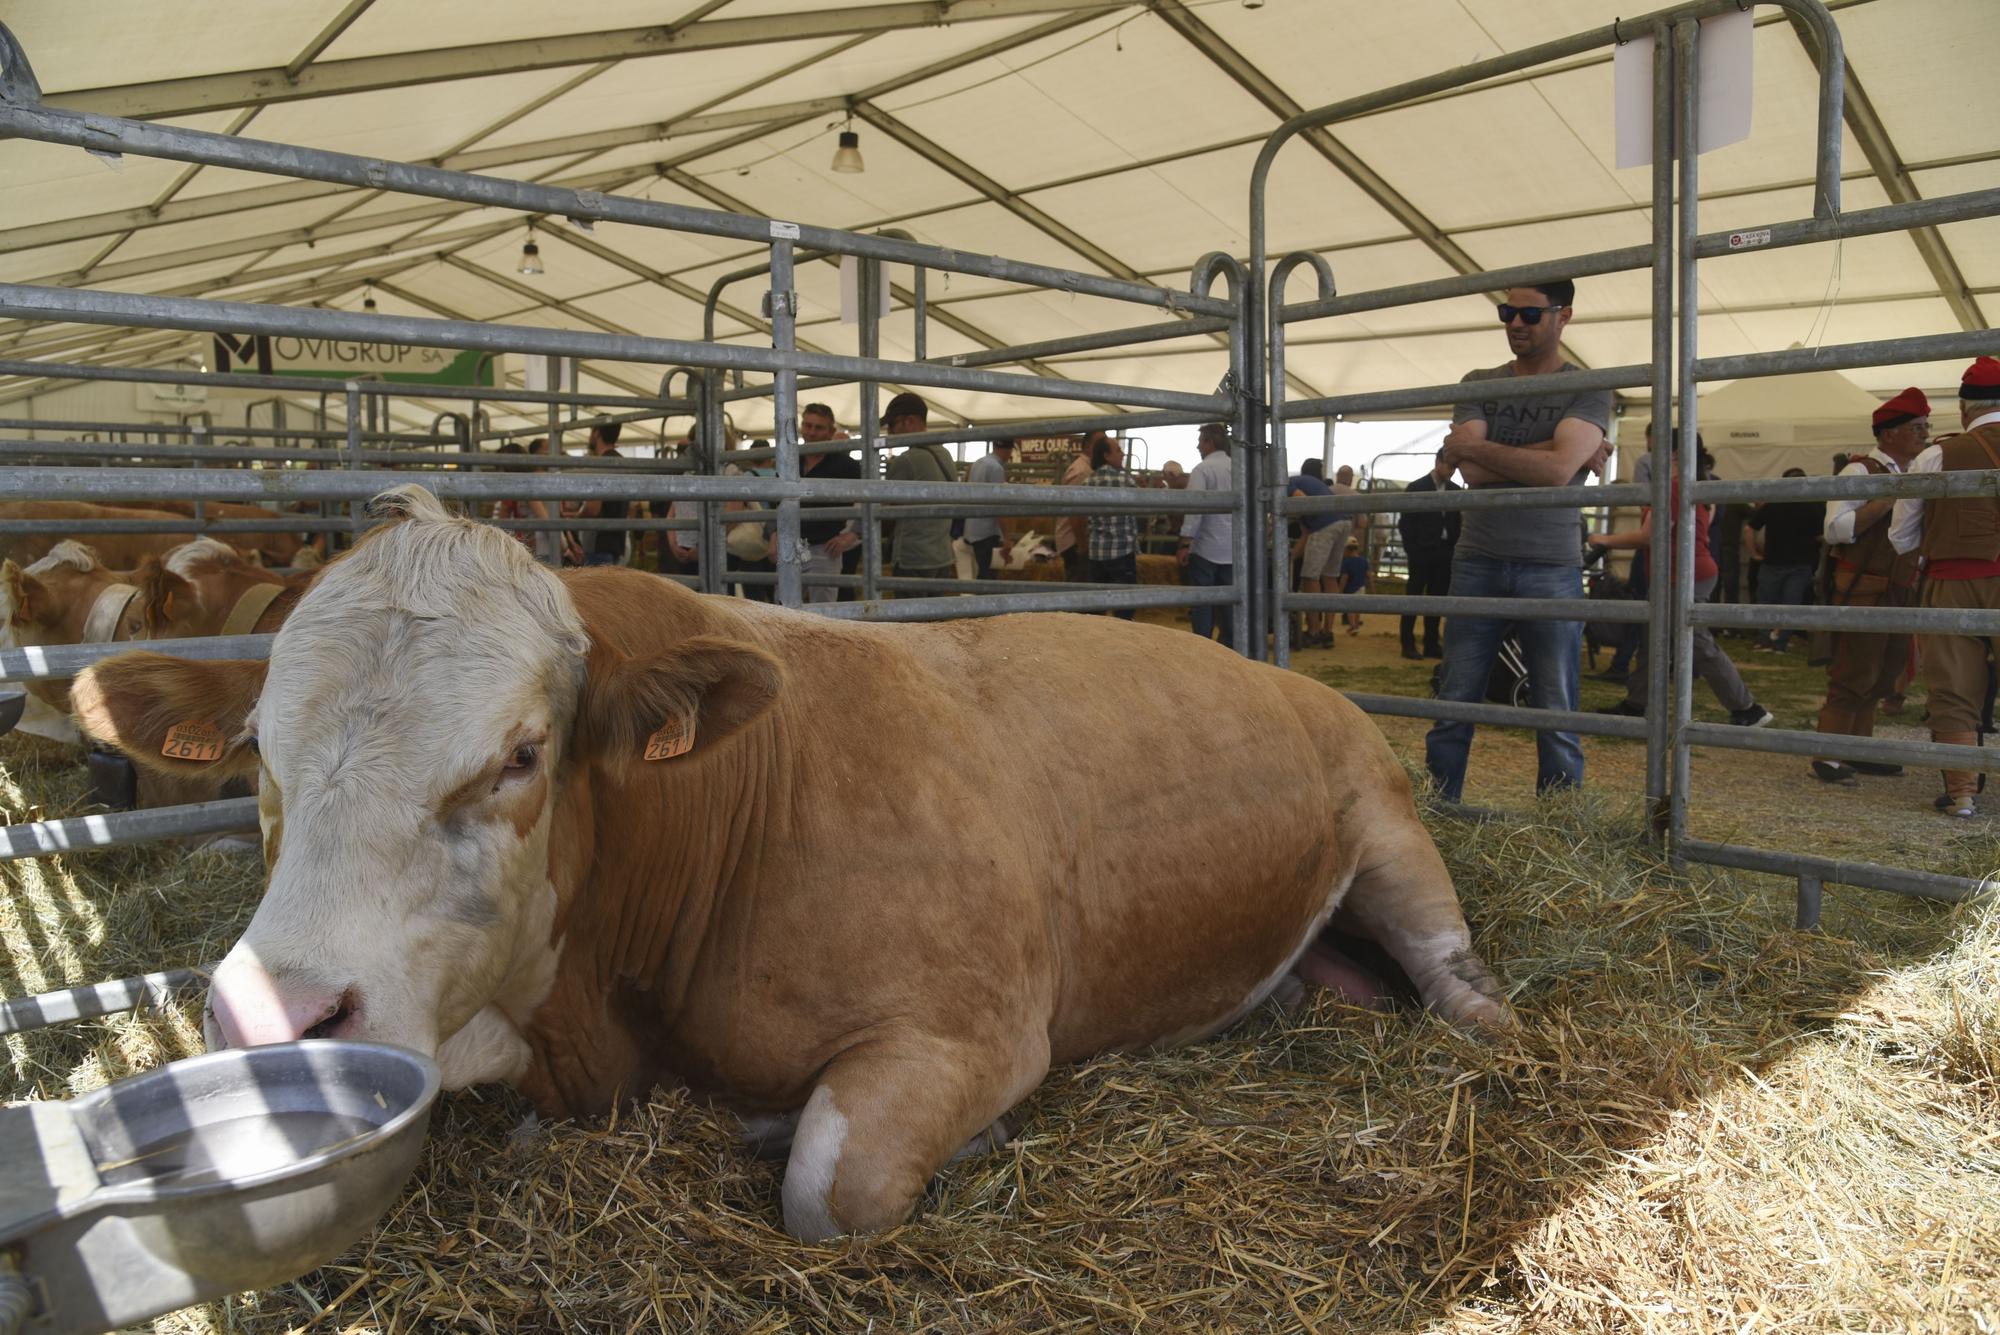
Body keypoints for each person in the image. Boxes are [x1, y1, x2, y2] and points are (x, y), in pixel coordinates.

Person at [1423, 279, 1614, 804]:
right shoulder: (1479, 380)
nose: (1514, 323)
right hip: (1478, 557)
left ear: (1563, 316)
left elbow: (1552, 471)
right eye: (1507, 312)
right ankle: (1438, 812)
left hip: (1551, 564)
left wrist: (1489, 451)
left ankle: (1560, 829)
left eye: (1529, 315)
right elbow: (1475, 474)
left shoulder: (1590, 386)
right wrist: (1559, 453)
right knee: (1454, 701)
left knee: (1556, 708)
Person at [1588, 431, 1773, 727]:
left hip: (1682, 574)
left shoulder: (1674, 488)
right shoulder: (1698, 485)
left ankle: (1747, 708)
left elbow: (1650, 536)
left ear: (1672, 454)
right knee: (1653, 640)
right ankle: (1637, 703)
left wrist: (1604, 539)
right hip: (1679, 572)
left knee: (1696, 642)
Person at [1889, 357, 2000, 817]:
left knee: (1954, 690)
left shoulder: (1939, 455)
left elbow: (1901, 536)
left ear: (1963, 408)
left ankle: (1962, 795)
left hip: (1953, 583)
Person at [1809, 386, 1928, 785]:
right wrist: (1891, 499)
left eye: (1925, 426)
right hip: (1863, 588)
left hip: (1898, 588)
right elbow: (1835, 529)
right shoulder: (1859, 471)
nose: (1924, 434)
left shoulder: (1915, 473)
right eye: (1916, 426)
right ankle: (1828, 753)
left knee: (1884, 673)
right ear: (1888, 433)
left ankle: (1859, 750)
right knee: (1854, 673)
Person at [881, 392, 957, 587]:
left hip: (913, 557)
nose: (890, 433)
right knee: (937, 614)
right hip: (942, 554)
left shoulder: (907, 459)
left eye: (892, 424)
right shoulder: (944, 454)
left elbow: (885, 507)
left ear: (909, 421)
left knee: (909, 615)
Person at [1746, 467, 1822, 653]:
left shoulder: (1773, 504)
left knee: (1765, 603)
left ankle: (1763, 641)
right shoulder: (1813, 505)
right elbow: (1822, 536)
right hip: (1800, 565)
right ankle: (1780, 643)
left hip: (1772, 562)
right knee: (1791, 606)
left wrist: (1754, 553)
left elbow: (1749, 529)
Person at [1397, 446, 1460, 660]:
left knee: (1437, 598)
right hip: (1422, 552)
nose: (1451, 471)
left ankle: (1431, 642)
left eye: (1454, 468)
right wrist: (1413, 550)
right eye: (1449, 466)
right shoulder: (1417, 487)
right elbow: (1406, 523)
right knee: (1414, 597)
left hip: (1444, 551)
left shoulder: (1455, 490)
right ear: (1438, 462)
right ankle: (1407, 643)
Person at [1176, 422, 1234, 649]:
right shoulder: (1237, 468)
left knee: (1203, 602)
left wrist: (1185, 542)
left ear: (1210, 442)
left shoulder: (1203, 469)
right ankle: (1229, 647)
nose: (1198, 446)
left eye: (1201, 441)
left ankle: (1203, 648)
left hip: (1206, 547)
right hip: (1233, 548)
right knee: (1230, 601)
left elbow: (1195, 508)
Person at [798, 403, 861, 604]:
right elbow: (776, 501)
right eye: (807, 425)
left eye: (818, 428)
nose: (811, 432)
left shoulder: (847, 466)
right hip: (791, 545)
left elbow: (872, 498)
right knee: (782, 609)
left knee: (822, 611)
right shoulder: (789, 460)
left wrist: (853, 534)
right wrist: (773, 534)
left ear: (830, 431)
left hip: (824, 548)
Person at [1287, 459, 1343, 648]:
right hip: (1342, 522)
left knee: (1309, 577)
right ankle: (1327, 630)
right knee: (1330, 577)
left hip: (1324, 524)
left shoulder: (1289, 483)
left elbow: (1303, 502)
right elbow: (1306, 534)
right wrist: (1289, 559)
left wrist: (1286, 514)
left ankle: (1314, 631)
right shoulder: (1316, 484)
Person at [1083, 433, 1140, 619]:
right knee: (1124, 606)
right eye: (1118, 450)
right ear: (1106, 455)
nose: (1123, 454)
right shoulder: (1125, 481)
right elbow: (1142, 509)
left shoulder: (1088, 482)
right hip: (1121, 552)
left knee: (1095, 607)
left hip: (1096, 553)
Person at [562, 418, 631, 566]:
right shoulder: (622, 462)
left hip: (598, 543)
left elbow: (593, 509)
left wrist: (575, 519)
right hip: (617, 542)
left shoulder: (600, 464)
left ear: (597, 433)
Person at [963, 437, 1015, 580]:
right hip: (987, 532)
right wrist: (1007, 538)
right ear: (1009, 450)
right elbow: (999, 504)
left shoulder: (978, 463)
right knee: (988, 577)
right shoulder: (996, 468)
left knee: (978, 572)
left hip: (972, 529)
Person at [1055, 432, 1101, 579]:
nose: (1103, 447)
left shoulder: (1086, 469)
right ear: (1088, 447)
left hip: (1076, 538)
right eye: (1100, 443)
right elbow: (1075, 511)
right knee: (1079, 587)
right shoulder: (1082, 471)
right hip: (1075, 540)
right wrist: (1082, 544)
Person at [1338, 537, 1371, 635]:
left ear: (1347, 549)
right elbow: (1369, 575)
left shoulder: (1346, 562)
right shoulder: (1364, 561)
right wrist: (1373, 589)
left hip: (1351, 589)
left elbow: (1344, 578)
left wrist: (1340, 590)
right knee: (1358, 608)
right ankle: (1356, 625)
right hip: (1361, 587)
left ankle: (1352, 626)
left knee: (1349, 609)